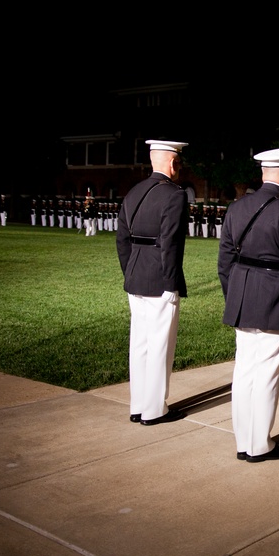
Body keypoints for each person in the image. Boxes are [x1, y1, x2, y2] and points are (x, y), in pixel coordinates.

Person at [218, 148, 279, 463]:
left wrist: (235, 296)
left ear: (263, 173)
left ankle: (245, 441)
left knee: (244, 371)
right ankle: (260, 445)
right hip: (274, 297)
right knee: (267, 373)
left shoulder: (237, 207)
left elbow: (225, 261)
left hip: (242, 295)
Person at [116, 139, 189, 426]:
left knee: (140, 344)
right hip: (160, 277)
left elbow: (122, 239)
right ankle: (155, 409)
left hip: (135, 274)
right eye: (179, 163)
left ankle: (138, 404)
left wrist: (130, 271)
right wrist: (171, 283)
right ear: (173, 163)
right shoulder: (175, 194)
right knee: (160, 345)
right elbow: (171, 243)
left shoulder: (133, 191)